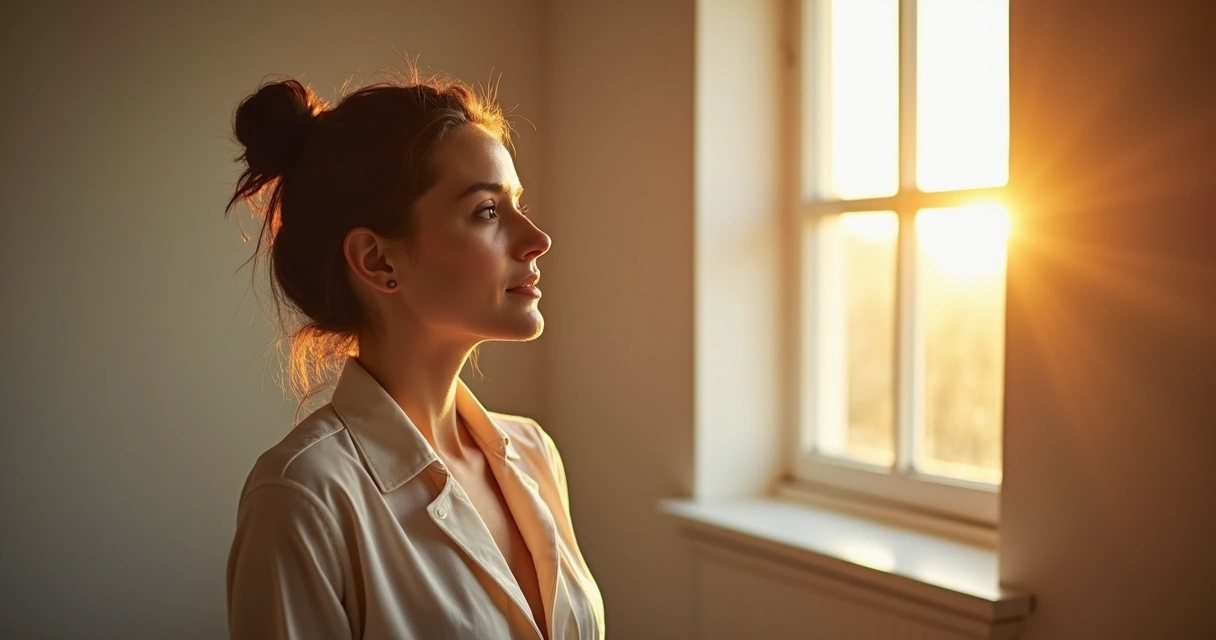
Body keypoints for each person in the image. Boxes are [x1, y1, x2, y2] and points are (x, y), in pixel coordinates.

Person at [222, 72, 605, 639]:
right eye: (487, 212)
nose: (536, 238)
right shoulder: (304, 497)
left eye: (516, 203)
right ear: (377, 261)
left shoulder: (534, 453)